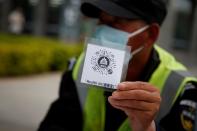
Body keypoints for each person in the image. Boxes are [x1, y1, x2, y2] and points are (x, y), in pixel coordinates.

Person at [38, 0, 197, 131]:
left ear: (151, 34)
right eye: (102, 21)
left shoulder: (182, 89)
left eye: (117, 21)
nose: (103, 31)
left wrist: (148, 128)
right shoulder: (80, 67)